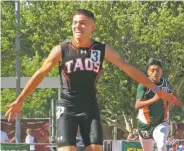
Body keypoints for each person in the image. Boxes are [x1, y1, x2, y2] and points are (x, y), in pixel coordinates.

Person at [5, 9, 182, 151]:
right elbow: (39, 74)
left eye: (82, 23)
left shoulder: (101, 49)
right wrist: (20, 99)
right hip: (67, 108)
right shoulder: (62, 50)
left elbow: (130, 69)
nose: (77, 26)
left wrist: (157, 90)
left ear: (93, 27)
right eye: (74, 23)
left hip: (90, 107)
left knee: (96, 148)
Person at [135, 58, 184, 151]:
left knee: (161, 146)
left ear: (162, 72)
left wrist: (174, 100)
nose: (155, 73)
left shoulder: (166, 83)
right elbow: (137, 105)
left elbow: (172, 97)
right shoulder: (143, 85)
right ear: (148, 72)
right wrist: (153, 99)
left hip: (161, 123)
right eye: (152, 70)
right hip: (144, 124)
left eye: (158, 70)